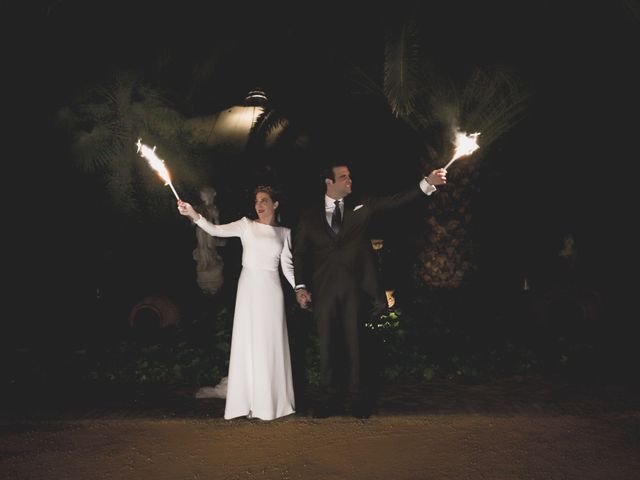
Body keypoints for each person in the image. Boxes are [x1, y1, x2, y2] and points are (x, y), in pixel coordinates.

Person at [293, 163, 447, 419]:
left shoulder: (362, 205)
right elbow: (298, 254)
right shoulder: (309, 215)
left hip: (354, 290)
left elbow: (396, 201)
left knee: (356, 347)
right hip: (323, 292)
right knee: (327, 348)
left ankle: (357, 402)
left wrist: (427, 183)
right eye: (343, 177)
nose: (349, 180)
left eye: (350, 175)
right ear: (328, 183)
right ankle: (328, 401)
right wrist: (300, 287)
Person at [178, 186, 296, 421]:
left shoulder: (284, 233)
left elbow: (287, 266)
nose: (259, 205)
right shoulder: (246, 225)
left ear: (275, 204)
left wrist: (299, 288)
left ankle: (271, 404)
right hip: (249, 287)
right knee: (249, 341)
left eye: (264, 200)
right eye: (256, 201)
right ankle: (250, 402)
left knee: (269, 342)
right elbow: (215, 230)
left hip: (272, 290)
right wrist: (193, 214)